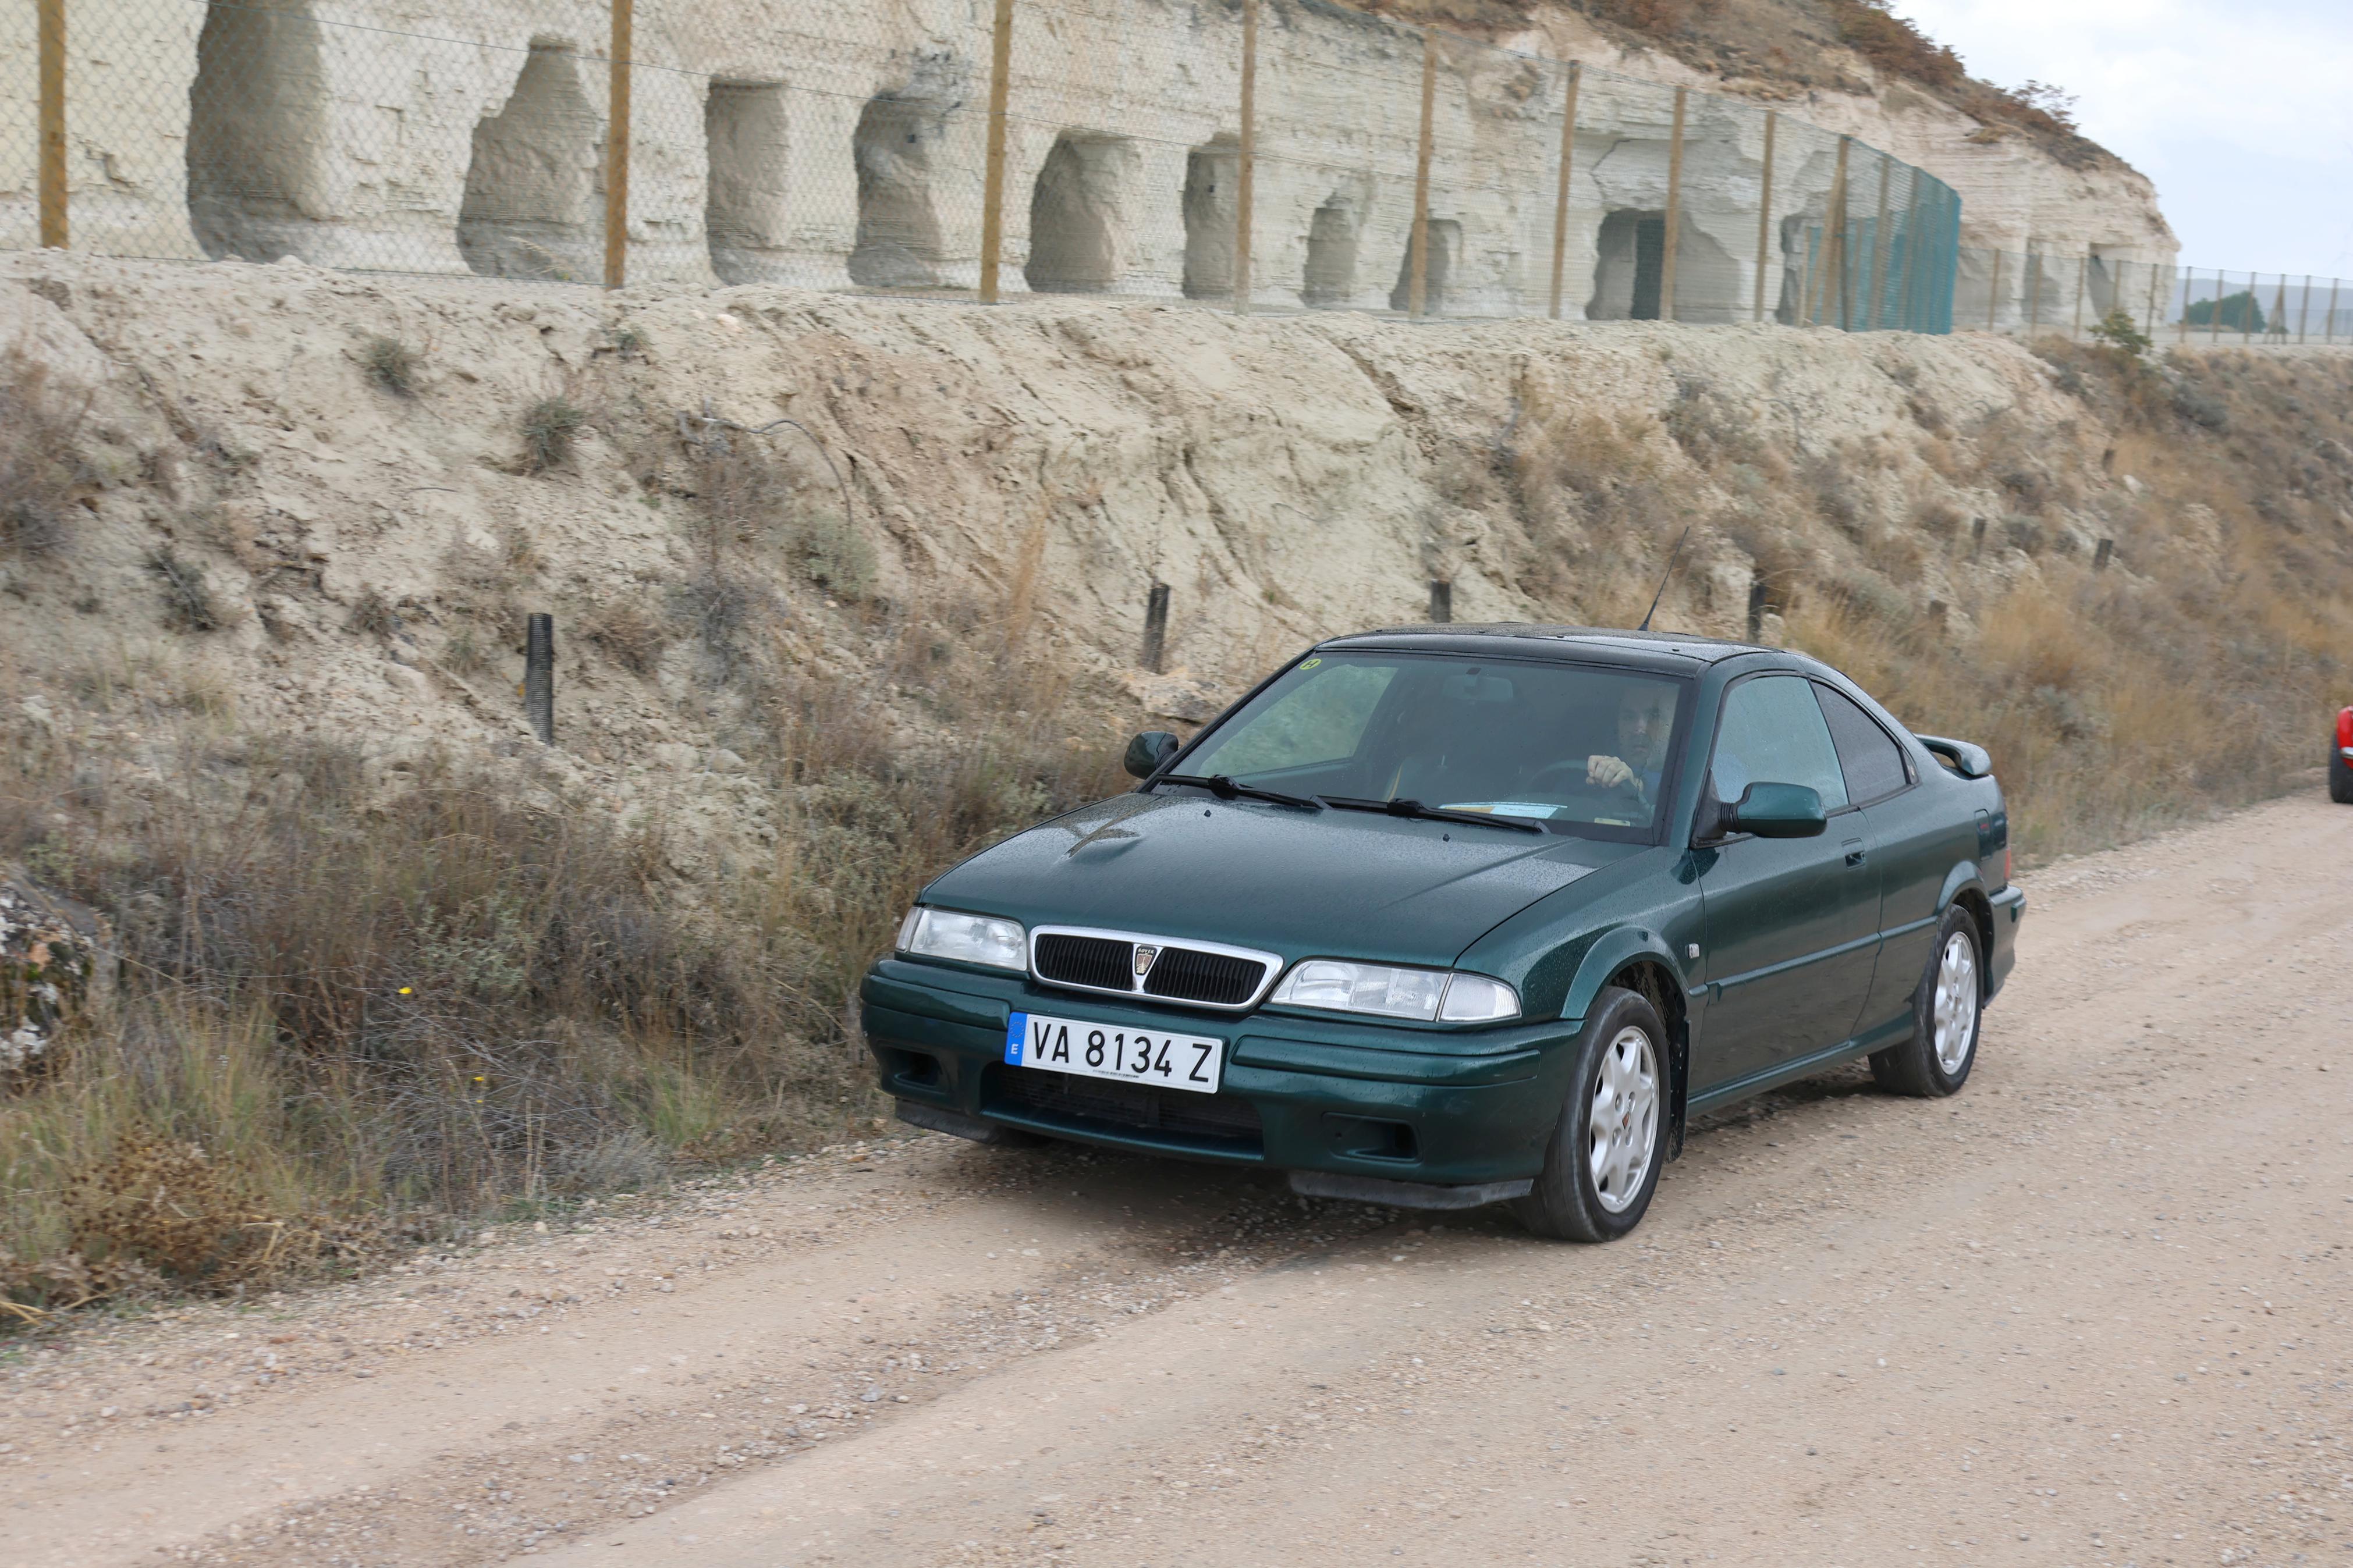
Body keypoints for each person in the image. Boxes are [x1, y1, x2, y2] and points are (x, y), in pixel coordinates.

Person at [1585, 684, 1676, 806]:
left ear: (1676, 727)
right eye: (1629, 717)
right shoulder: (1587, 767)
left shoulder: (1694, 785)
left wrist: (1637, 785)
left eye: (1654, 717)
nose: (1640, 729)